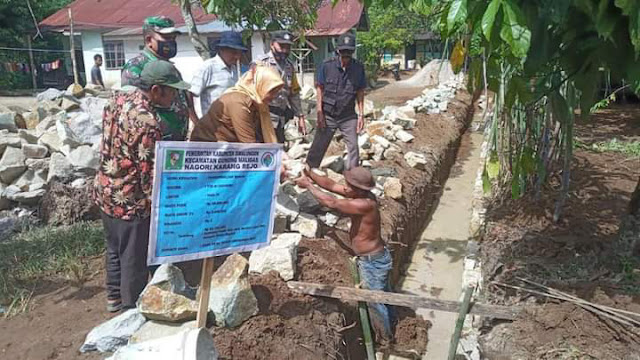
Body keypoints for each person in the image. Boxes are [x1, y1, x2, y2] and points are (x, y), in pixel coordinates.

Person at [94, 60, 191, 312]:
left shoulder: (117, 100)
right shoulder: (147, 122)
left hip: (106, 189)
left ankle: (113, 298)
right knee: (134, 259)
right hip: (130, 200)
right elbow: (150, 176)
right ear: (156, 89)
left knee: (115, 248)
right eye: (172, 91)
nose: (175, 97)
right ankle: (131, 310)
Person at [295, 166, 395, 342]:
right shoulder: (360, 195)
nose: (345, 188)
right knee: (384, 295)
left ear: (358, 189)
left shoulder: (364, 204)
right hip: (377, 257)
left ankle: (385, 340)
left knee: (375, 302)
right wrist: (310, 173)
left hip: (373, 262)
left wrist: (309, 185)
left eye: (348, 186)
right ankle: (392, 323)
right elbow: (332, 185)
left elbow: (332, 202)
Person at [121, 16, 197, 139]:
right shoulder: (135, 68)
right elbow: (133, 109)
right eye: (166, 38)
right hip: (153, 142)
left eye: (173, 38)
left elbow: (185, 100)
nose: (171, 42)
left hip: (176, 142)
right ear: (149, 40)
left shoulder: (169, 68)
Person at [306, 32, 366, 171]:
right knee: (318, 146)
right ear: (338, 50)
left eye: (349, 52)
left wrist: (361, 115)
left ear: (353, 51)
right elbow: (320, 89)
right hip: (328, 115)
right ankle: (309, 172)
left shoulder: (358, 68)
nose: (346, 55)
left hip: (348, 115)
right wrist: (319, 113)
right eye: (343, 51)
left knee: (353, 147)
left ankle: (353, 177)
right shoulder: (327, 66)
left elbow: (360, 92)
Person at [190, 64, 284, 143]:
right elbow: (249, 145)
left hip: (229, 148)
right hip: (207, 149)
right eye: (272, 91)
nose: (274, 96)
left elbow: (263, 136)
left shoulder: (258, 103)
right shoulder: (238, 103)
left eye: (277, 92)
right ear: (260, 85)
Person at [254, 30, 306, 143]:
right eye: (281, 46)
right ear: (272, 44)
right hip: (263, 118)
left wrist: (300, 116)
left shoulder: (289, 66)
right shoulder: (261, 63)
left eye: (288, 47)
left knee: (279, 151)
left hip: (280, 119)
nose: (285, 50)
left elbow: (294, 93)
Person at [191, 31, 247, 118]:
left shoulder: (236, 70)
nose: (237, 57)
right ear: (221, 50)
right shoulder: (208, 67)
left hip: (232, 123)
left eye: (239, 53)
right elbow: (191, 93)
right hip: (213, 125)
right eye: (233, 52)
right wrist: (196, 121)